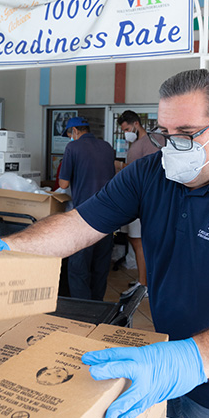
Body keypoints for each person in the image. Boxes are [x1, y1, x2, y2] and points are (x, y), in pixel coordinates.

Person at [0, 69, 209, 418]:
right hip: (156, 351)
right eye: (163, 134)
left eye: (185, 135)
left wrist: (194, 359)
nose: (169, 147)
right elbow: (80, 225)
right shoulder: (149, 173)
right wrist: (10, 249)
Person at [58, 116, 115, 300]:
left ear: (74, 131)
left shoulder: (72, 147)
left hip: (84, 217)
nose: (69, 138)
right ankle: (97, 307)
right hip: (108, 216)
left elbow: (63, 183)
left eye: (69, 134)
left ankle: (82, 311)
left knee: (79, 267)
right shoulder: (107, 147)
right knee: (100, 266)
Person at [117, 110, 157, 299]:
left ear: (135, 124)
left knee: (139, 241)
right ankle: (143, 281)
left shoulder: (149, 142)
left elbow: (149, 170)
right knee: (136, 240)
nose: (126, 133)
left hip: (144, 199)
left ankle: (145, 284)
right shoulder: (137, 143)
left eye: (126, 129)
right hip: (135, 198)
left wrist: (121, 168)